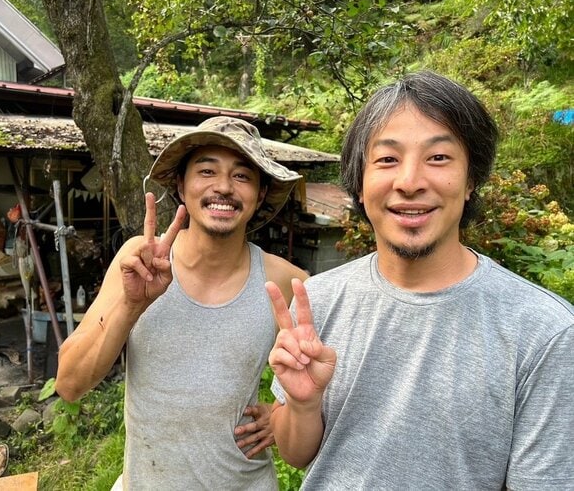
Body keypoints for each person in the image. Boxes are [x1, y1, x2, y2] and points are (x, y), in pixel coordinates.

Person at [266, 71, 574, 489]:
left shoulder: (544, 331)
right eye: (387, 159)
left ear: (471, 181)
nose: (410, 182)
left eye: (439, 158)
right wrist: (303, 406)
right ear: (358, 184)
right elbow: (295, 454)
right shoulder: (318, 299)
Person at [55, 116, 309, 489]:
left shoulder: (284, 281)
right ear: (180, 184)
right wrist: (131, 304)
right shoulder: (140, 261)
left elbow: (332, 377)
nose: (224, 187)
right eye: (207, 171)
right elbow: (69, 384)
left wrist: (287, 412)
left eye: (242, 176)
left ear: (259, 194)